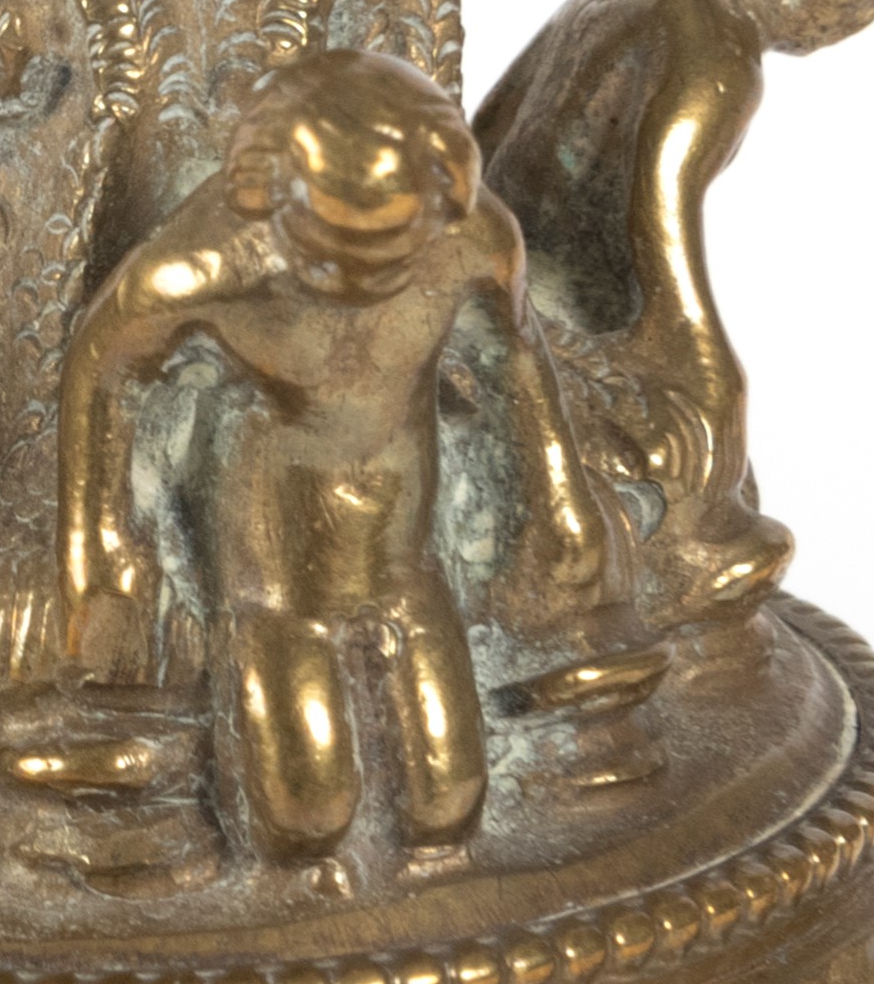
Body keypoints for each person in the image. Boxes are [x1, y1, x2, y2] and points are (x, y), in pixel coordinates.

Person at [56, 49, 613, 858]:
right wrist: (99, 543)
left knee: (450, 802)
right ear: (269, 196)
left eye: (393, 248)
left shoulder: (474, 240)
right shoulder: (206, 269)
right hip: (275, 576)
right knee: (305, 813)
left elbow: (514, 357)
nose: (361, 280)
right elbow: (102, 368)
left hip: (407, 552)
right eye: (331, 249)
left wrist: (558, 492)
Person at [470, 0, 874, 619]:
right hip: (554, 310)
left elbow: (485, 136)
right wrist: (705, 369)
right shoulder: (715, 59)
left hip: (497, 265)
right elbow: (661, 221)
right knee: (701, 439)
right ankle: (674, 572)